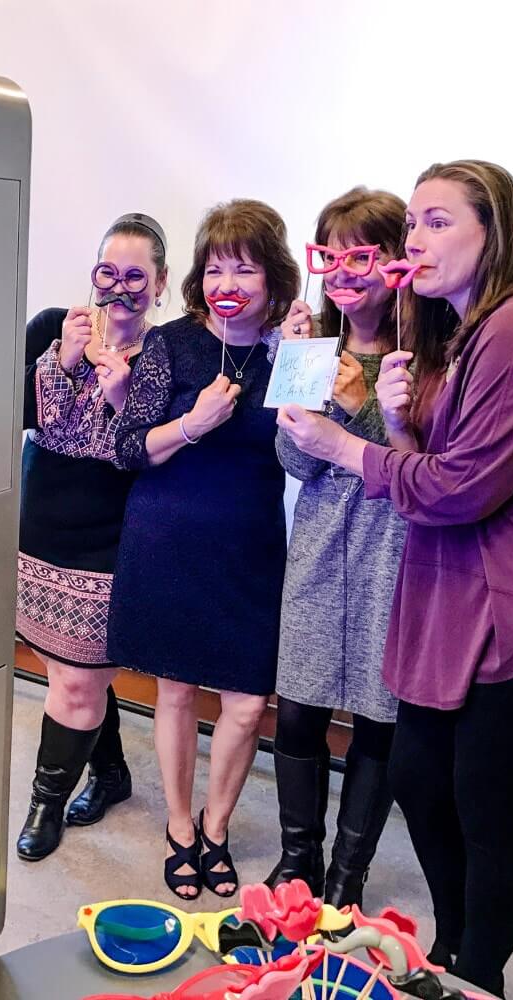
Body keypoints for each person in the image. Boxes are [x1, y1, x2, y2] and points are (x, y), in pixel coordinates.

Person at [275, 160, 513, 997]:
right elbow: (317, 456)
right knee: (413, 775)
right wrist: (388, 418)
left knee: (480, 801)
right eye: (411, 224)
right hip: (450, 584)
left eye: (434, 223)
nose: (411, 242)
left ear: (494, 230)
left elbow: (459, 487)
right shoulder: (439, 334)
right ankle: (449, 956)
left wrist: (355, 439)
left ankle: (475, 976)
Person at [109, 199, 298, 899]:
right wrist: (193, 422)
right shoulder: (171, 344)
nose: (228, 283)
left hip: (249, 547)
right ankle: (181, 826)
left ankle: (217, 827)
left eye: (244, 269)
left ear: (273, 278)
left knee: (247, 703)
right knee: (177, 691)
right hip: (169, 540)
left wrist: (297, 361)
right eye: (216, 268)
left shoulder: (288, 352)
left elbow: (308, 450)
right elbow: (128, 447)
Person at [265, 188, 411, 910]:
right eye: (334, 256)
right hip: (320, 545)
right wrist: (300, 373)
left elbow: (421, 469)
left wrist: (358, 409)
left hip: (395, 553)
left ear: (396, 262)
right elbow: (294, 462)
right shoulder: (314, 345)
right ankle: (299, 858)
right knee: (297, 712)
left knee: (379, 720)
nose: (346, 273)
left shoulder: (426, 355)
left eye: (363, 256)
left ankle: (347, 875)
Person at [15, 213, 170, 862]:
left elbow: (152, 451)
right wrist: (61, 360)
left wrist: (122, 392)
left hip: (111, 542)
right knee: (66, 676)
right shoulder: (54, 327)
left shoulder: (166, 354)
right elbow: (13, 416)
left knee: (78, 684)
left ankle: (44, 805)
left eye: (136, 276)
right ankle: (110, 773)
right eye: (108, 272)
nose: (120, 288)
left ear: (160, 283)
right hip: (40, 532)